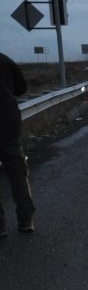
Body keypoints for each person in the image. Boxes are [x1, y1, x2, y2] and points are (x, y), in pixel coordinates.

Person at [0, 52, 35, 236]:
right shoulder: (5, 60)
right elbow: (21, 88)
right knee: (17, 172)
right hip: (8, 122)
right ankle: (25, 219)